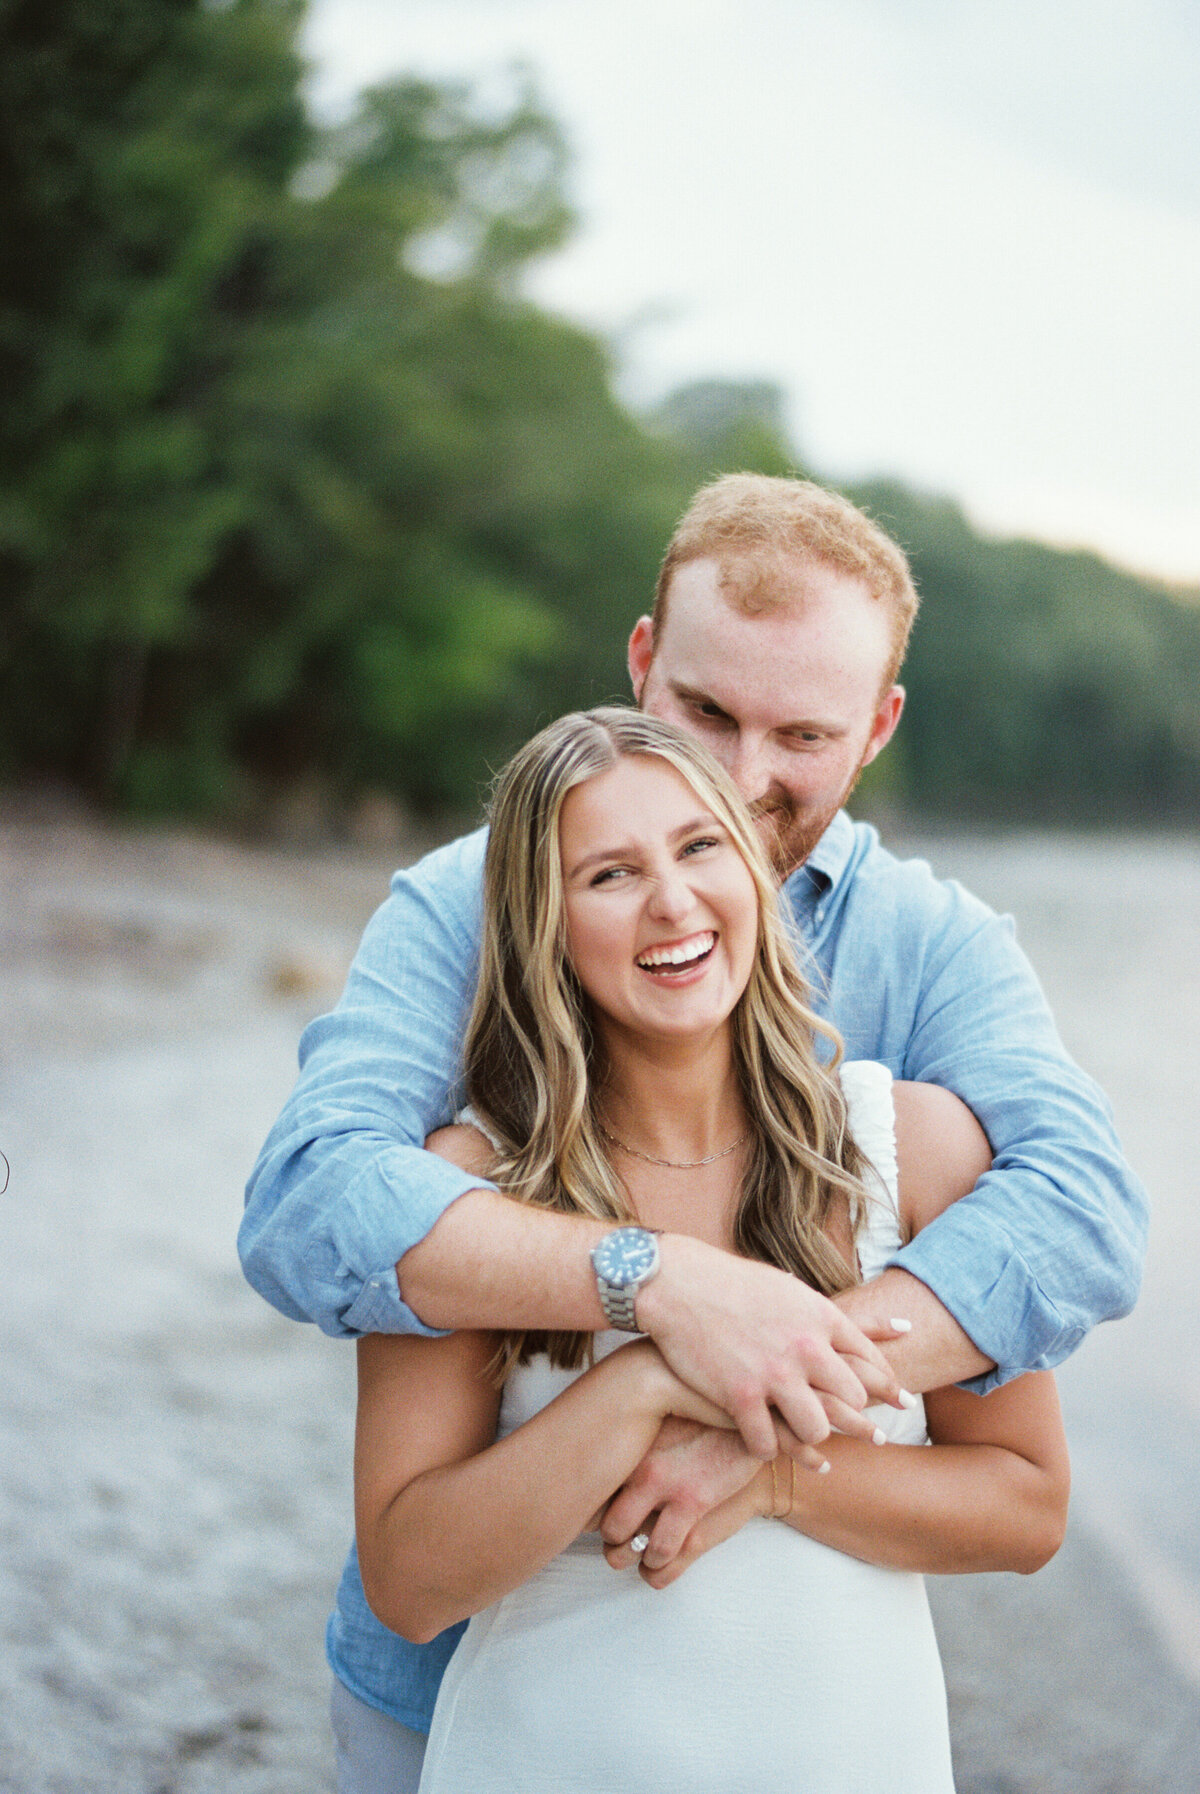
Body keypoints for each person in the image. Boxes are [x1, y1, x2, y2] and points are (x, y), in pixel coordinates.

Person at [240, 475, 1145, 1786]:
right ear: (642, 660)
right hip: (453, 1700)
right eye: (705, 710)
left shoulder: (933, 952)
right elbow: (312, 1204)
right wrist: (664, 1288)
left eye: (802, 735)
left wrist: (766, 1395)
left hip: (803, 1712)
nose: (738, 775)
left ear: (878, 726)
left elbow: (1080, 1215)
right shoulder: (465, 903)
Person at [353, 709, 1071, 1794]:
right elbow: (408, 1582)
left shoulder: (910, 1146)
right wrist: (646, 1377)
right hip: (544, 1758)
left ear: (755, 872)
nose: (673, 902)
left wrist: (778, 1475)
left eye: (699, 848)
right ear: (542, 925)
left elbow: (1027, 1507)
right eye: (609, 874)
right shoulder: (469, 1190)